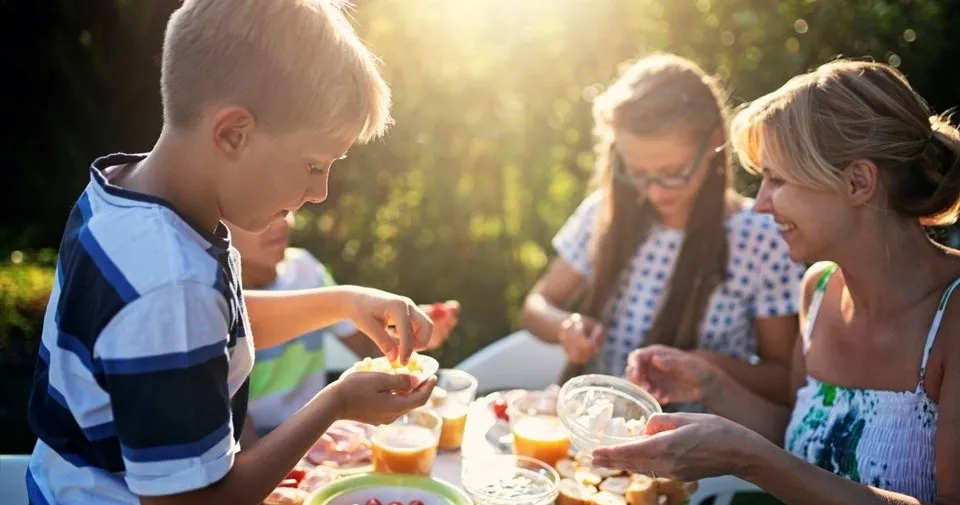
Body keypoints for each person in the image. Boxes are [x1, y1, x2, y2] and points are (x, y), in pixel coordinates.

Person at [25, 1, 439, 504]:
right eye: (313, 165)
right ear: (233, 134)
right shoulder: (172, 283)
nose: (321, 191)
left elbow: (207, 332)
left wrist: (344, 302)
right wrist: (335, 403)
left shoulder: (124, 202)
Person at [594, 60, 960, 504]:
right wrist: (710, 383)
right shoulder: (818, 290)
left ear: (858, 182)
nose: (761, 205)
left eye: (778, 179)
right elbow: (800, 440)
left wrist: (746, 457)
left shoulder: (952, 318)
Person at [520, 53, 806, 408]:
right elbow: (536, 306)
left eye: (672, 172)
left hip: (697, 448)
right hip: (592, 432)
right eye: (638, 173)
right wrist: (566, 327)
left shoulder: (761, 239)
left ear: (713, 142)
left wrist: (708, 366)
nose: (654, 192)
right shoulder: (605, 212)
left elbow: (786, 380)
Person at [225, 215, 460, 445]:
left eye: (285, 208)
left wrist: (408, 336)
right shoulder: (216, 300)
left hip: (319, 430)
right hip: (263, 446)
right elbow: (240, 435)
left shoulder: (305, 268)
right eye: (263, 207)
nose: (281, 221)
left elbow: (370, 346)